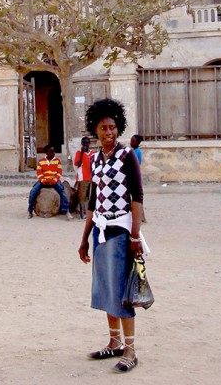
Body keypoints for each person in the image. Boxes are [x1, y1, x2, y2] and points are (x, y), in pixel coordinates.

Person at [78, 98, 145, 373]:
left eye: (112, 127)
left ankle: (130, 350)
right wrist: (84, 238)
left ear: (119, 129)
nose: (108, 133)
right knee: (106, 288)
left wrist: (135, 236)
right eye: (103, 128)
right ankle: (114, 342)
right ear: (95, 130)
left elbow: (137, 197)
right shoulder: (95, 159)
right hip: (100, 232)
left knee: (121, 293)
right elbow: (93, 200)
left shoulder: (126, 155)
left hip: (120, 231)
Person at [27, 144, 73, 219]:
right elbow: (39, 173)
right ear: (46, 152)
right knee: (33, 191)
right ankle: (30, 210)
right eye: (51, 151)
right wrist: (44, 181)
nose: (53, 153)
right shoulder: (41, 162)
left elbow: (59, 173)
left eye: (53, 151)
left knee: (62, 192)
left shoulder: (57, 161)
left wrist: (54, 181)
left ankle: (66, 210)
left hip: (54, 180)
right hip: (44, 181)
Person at [73, 136, 93, 220]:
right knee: (82, 196)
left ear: (89, 144)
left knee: (90, 196)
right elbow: (77, 163)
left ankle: (88, 212)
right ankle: (82, 213)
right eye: (84, 143)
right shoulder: (78, 153)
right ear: (81, 144)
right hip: (82, 177)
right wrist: (81, 153)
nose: (85, 145)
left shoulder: (92, 153)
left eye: (87, 143)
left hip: (91, 177)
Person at [130, 134, 146, 223]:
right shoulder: (135, 151)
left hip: (133, 176)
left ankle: (139, 217)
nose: (131, 142)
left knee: (135, 197)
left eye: (133, 141)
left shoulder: (136, 152)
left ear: (137, 143)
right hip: (134, 175)